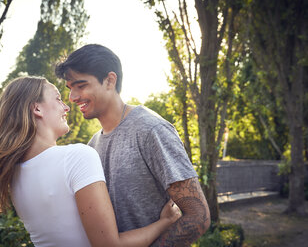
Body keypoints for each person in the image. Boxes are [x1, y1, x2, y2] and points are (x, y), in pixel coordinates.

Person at [0, 76, 182, 247]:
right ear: (37, 108)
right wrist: (164, 222)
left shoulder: (14, 173)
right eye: (59, 99)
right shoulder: (77, 157)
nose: (66, 106)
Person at [55, 44, 211, 246]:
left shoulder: (152, 130)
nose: (73, 97)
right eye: (70, 89)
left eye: (81, 85)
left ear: (110, 80)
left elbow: (198, 216)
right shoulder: (92, 145)